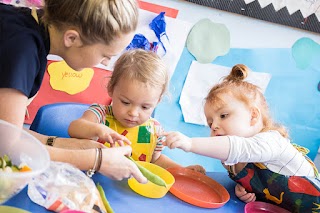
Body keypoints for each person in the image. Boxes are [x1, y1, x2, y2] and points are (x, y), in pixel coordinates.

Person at [0, 0, 148, 183]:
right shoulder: (21, 52)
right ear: (71, 38)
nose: (105, 64)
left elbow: (7, 131)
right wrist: (97, 160)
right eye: (105, 55)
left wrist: (65, 144)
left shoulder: (23, 25)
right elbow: (7, 146)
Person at [161, 64, 320, 212]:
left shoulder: (273, 141)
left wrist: (189, 143)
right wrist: (246, 189)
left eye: (223, 115)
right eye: (210, 123)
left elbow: (239, 148)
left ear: (253, 115)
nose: (215, 125)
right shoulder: (232, 162)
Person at [69, 49, 205, 173]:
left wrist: (182, 170)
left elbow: (155, 161)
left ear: (157, 101)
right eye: (126, 102)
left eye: (145, 107)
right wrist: (98, 130)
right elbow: (74, 128)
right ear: (111, 88)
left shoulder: (155, 131)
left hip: (129, 192)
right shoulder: (100, 114)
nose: (133, 113)